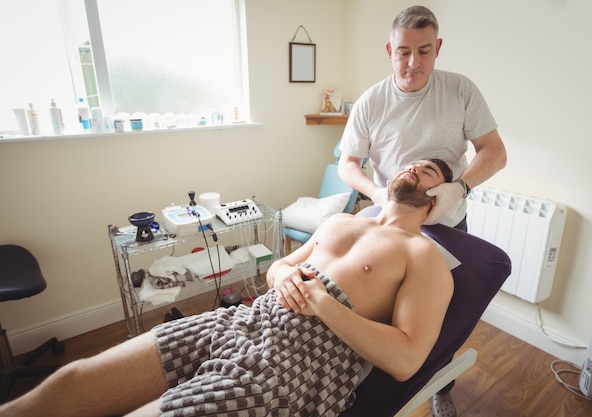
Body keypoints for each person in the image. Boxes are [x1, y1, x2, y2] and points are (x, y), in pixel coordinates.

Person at [0, 159, 454, 417]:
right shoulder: (340, 221)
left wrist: (323, 304)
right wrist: (282, 275)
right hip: (239, 322)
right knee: (74, 379)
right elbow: (278, 268)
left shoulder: (425, 258)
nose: (416, 164)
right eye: (413, 160)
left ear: (437, 200)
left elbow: (406, 359)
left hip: (286, 371)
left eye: (430, 168)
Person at [338, 5, 507, 232]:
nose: (413, 63)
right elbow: (348, 163)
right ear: (390, 51)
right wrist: (376, 193)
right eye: (403, 52)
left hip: (449, 223)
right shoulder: (370, 102)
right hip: (392, 223)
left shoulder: (461, 90)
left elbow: (495, 152)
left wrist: (459, 188)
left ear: (437, 48)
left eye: (424, 51)